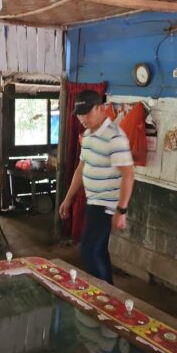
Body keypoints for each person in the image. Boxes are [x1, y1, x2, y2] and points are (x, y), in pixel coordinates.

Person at [59, 90, 135, 284]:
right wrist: (68, 199)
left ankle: (105, 294)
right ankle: (109, 293)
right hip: (93, 201)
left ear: (100, 109)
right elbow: (81, 168)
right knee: (97, 249)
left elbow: (128, 175)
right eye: (79, 113)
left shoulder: (115, 137)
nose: (83, 118)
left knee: (89, 249)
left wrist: (122, 209)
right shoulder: (88, 135)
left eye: (87, 112)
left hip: (107, 203)